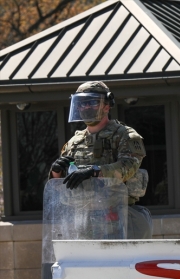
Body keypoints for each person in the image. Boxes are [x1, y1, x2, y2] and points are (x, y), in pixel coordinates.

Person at [50, 81, 152, 239]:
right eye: (81, 103)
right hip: (83, 222)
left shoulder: (125, 135)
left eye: (92, 102)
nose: (86, 107)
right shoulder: (74, 142)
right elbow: (61, 187)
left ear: (107, 105)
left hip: (117, 219)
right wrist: (55, 173)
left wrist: (94, 171)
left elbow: (129, 166)